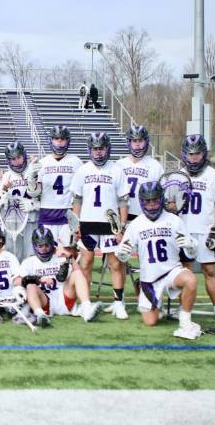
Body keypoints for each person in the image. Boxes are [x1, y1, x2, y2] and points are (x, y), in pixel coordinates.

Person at [116, 181, 202, 339]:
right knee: (150, 322)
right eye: (147, 201)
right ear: (142, 202)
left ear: (161, 199)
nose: (151, 205)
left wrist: (190, 246)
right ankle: (141, 289)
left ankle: (185, 321)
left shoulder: (174, 220)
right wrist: (121, 252)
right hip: (149, 278)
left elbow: (192, 254)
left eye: (155, 200)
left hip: (171, 271)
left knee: (190, 279)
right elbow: (123, 257)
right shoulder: (135, 225)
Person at [70, 132, 130, 319]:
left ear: (107, 149)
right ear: (90, 150)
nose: (98, 152)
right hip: (87, 222)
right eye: (95, 149)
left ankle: (119, 303)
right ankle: (85, 303)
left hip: (109, 224)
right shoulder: (83, 170)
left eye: (101, 148)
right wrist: (75, 224)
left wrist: (121, 227)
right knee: (86, 262)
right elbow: (77, 200)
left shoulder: (116, 169)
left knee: (115, 263)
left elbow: (123, 201)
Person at [179, 134, 215, 322]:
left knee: (209, 270)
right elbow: (171, 202)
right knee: (185, 272)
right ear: (184, 154)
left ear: (204, 154)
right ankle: (184, 310)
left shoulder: (213, 175)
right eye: (190, 153)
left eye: (198, 153)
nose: (194, 157)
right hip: (183, 230)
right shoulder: (179, 174)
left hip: (205, 230)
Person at [20, 226, 101, 327]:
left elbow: (80, 276)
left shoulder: (60, 258)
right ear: (35, 246)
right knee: (30, 286)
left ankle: (87, 308)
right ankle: (40, 315)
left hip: (64, 298)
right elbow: (19, 281)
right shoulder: (28, 262)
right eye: (40, 246)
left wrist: (70, 258)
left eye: (46, 245)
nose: (44, 249)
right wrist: (38, 280)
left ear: (52, 244)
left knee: (77, 273)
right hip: (44, 302)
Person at [38, 126, 83, 245]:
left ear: (68, 141)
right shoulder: (42, 163)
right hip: (47, 212)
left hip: (67, 213)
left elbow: (80, 192)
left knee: (69, 251)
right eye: (56, 138)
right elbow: (36, 191)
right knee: (47, 250)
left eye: (62, 139)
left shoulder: (76, 162)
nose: (59, 142)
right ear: (51, 140)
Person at [1, 141, 41, 260]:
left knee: (31, 256)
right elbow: (0, 201)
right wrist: (4, 189)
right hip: (13, 222)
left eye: (18, 157)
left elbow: (45, 199)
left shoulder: (34, 171)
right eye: (13, 159)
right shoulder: (7, 175)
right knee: (13, 256)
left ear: (24, 156)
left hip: (31, 220)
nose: (16, 161)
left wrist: (34, 205)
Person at [116, 125, 164, 223]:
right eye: (134, 141)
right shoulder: (119, 165)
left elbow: (162, 196)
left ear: (146, 142)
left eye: (140, 141)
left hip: (145, 217)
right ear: (129, 142)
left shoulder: (155, 166)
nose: (137, 145)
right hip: (121, 216)